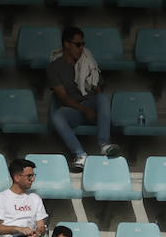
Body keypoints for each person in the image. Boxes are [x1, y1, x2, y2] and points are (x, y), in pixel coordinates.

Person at [48, 25, 121, 173]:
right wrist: (84, 109)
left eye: (83, 44)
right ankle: (80, 155)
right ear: (66, 44)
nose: (81, 48)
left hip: (91, 106)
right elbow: (62, 97)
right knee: (57, 115)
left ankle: (104, 145)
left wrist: (93, 107)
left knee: (102, 99)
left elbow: (98, 88)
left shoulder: (88, 62)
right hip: (75, 110)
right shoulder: (55, 67)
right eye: (77, 44)